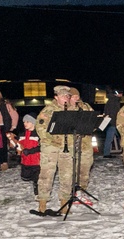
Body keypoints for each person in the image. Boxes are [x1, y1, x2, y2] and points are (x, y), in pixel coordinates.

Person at [33, 86, 74, 216]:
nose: (66, 99)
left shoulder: (73, 110)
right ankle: (42, 204)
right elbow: (40, 128)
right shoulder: (48, 110)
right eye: (63, 96)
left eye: (67, 96)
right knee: (46, 175)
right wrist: (52, 139)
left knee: (67, 176)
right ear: (56, 97)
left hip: (67, 147)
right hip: (51, 147)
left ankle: (64, 203)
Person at [69, 88, 95, 196]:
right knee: (72, 169)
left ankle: (82, 190)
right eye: (74, 96)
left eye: (77, 96)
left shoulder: (86, 107)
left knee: (85, 167)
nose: (77, 98)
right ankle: (72, 190)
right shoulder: (65, 108)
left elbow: (93, 121)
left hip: (85, 143)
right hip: (72, 143)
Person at [17, 114, 41, 197]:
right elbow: (19, 145)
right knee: (26, 177)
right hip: (26, 160)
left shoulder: (38, 134)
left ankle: (37, 187)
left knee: (37, 177)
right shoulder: (22, 134)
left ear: (33, 123)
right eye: (24, 122)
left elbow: (42, 146)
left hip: (37, 160)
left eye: (27, 122)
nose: (25, 124)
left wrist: (31, 151)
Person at [102, 89, 122, 158]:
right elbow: (114, 113)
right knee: (113, 137)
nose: (121, 95)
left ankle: (106, 153)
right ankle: (106, 153)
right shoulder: (114, 101)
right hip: (113, 122)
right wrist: (116, 121)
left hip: (109, 121)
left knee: (109, 138)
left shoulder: (110, 100)